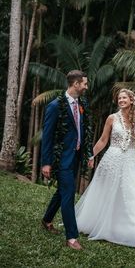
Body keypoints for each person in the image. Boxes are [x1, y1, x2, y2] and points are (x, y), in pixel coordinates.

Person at [75, 88, 135, 249]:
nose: (121, 100)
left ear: (132, 100)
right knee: (105, 191)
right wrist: (90, 155)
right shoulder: (111, 118)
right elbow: (103, 140)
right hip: (112, 158)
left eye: (124, 98)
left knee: (134, 195)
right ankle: (96, 223)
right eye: (119, 98)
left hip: (131, 160)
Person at [41, 70, 92, 251]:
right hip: (61, 159)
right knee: (69, 193)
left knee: (62, 192)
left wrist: (87, 154)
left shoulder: (82, 104)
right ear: (75, 84)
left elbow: (83, 131)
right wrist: (46, 163)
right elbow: (47, 136)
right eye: (84, 83)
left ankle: (47, 219)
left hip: (76, 157)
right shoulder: (55, 106)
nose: (86, 86)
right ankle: (71, 237)